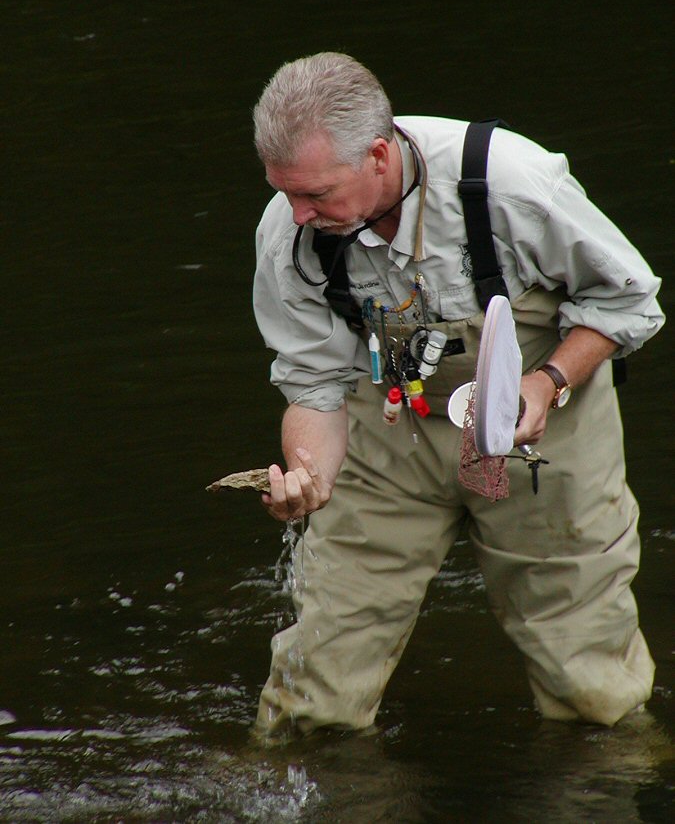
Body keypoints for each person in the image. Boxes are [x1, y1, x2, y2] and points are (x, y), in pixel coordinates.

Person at [251, 52, 665, 737]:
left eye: (315, 194)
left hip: (543, 431)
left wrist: (547, 380)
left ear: (378, 155)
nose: (296, 214)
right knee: (315, 690)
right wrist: (308, 477)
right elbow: (313, 383)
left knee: (592, 689)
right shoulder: (289, 230)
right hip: (387, 431)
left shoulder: (510, 181)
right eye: (283, 191)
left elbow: (629, 301)